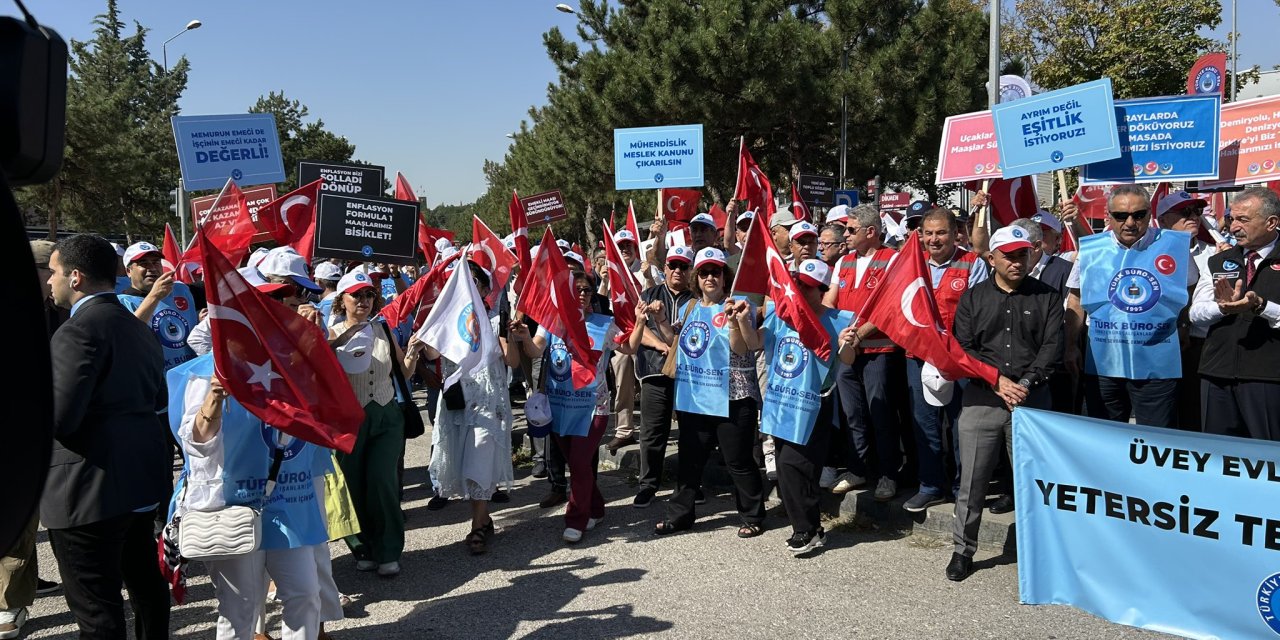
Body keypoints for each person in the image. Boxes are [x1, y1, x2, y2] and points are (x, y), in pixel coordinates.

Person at [44, 234, 171, 639]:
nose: (50, 281)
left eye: (53, 272)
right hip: (139, 482)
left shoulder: (77, 330)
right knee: (146, 586)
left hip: (87, 491)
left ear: (75, 277)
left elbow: (60, 418)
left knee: (97, 612)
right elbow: (157, 398)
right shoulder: (138, 328)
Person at [167, 348, 333, 639]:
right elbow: (197, 445)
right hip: (230, 505)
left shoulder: (293, 363)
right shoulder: (204, 372)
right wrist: (214, 397)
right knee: (240, 606)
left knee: (306, 594)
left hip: (288, 499)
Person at [945, 226, 1063, 582]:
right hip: (983, 397)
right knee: (973, 481)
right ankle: (963, 550)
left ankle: (1039, 551)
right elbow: (963, 347)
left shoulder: (1048, 296)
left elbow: (1052, 347)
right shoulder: (973, 297)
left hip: (1031, 399)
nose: (1016, 261)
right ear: (992, 258)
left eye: (1022, 254)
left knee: (1034, 481)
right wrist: (997, 381)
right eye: (1009, 255)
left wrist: (1024, 384)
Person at [639, 248, 765, 537]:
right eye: (705, 272)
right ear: (697, 278)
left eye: (716, 272)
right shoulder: (691, 308)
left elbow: (742, 348)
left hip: (734, 397)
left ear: (725, 276)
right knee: (690, 460)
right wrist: (659, 321)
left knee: (739, 461)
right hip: (697, 397)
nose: (710, 277)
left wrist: (735, 321)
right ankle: (680, 515)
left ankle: (752, 515)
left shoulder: (741, 305)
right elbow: (677, 343)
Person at [511, 268, 636, 543]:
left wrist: (639, 325)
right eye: (576, 289)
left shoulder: (604, 324)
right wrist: (523, 339)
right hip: (560, 407)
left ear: (593, 294)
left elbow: (628, 348)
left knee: (579, 462)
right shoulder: (552, 321)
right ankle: (597, 507)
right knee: (576, 465)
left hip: (594, 407)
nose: (581, 294)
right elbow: (536, 350)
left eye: (586, 290)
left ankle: (576, 519)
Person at [1065, 185, 1190, 428]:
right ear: (1108, 216)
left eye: (1139, 214)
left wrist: (1184, 323)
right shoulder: (1091, 249)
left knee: (1156, 441)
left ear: (1149, 213)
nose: (1130, 222)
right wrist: (1070, 345)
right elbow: (1076, 298)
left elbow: (1190, 287)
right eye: (1121, 216)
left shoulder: (1172, 245)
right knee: (1105, 438)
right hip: (1104, 362)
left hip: (1157, 365)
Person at [418, 261, 522, 554]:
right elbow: (432, 353)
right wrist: (429, 324)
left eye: (475, 281)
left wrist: (512, 337)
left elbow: (511, 361)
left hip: (488, 403)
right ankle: (484, 519)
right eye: (463, 281)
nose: (469, 286)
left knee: (479, 459)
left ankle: (477, 528)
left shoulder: (496, 320)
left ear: (486, 289)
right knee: (465, 464)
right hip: (458, 402)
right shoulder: (448, 321)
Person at [754, 259, 853, 555]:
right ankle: (811, 528)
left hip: (815, 402)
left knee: (795, 465)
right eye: (797, 286)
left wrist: (848, 342)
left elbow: (847, 360)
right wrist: (739, 321)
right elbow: (751, 344)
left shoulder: (840, 319)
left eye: (808, 288)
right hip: (782, 399)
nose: (800, 292)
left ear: (821, 290)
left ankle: (806, 529)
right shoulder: (779, 315)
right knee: (788, 469)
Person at [903, 208, 989, 513]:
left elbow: (979, 311)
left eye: (941, 233)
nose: (934, 239)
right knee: (925, 423)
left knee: (960, 426)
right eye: (928, 233)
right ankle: (930, 486)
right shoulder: (911, 265)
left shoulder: (972, 264)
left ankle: (962, 490)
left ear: (956, 234)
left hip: (958, 358)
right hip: (919, 356)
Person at [328, 270, 413, 577]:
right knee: (351, 484)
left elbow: (402, 371)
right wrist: (347, 336)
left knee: (381, 480)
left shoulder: (383, 329)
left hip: (386, 414)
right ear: (342, 300)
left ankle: (389, 548)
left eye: (368, 295)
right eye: (356, 295)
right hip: (349, 418)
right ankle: (363, 546)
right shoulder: (330, 331)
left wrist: (413, 353)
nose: (363, 301)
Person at [823, 204, 902, 500]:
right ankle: (857, 470)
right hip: (847, 350)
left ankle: (888, 474)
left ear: (871, 232)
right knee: (852, 413)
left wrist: (859, 335)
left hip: (878, 350)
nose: (846, 235)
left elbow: (890, 308)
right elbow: (831, 300)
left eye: (852, 230)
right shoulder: (844, 261)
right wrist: (824, 323)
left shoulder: (892, 260)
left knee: (880, 413)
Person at [1190, 186, 1280, 441]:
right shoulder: (1219, 260)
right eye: (1231, 218)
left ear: (1271, 222)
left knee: (1267, 456)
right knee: (1218, 455)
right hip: (1216, 373)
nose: (1233, 227)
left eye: (1243, 220)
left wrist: (1261, 306)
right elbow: (1196, 313)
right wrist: (1222, 307)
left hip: (1268, 376)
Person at [626, 246, 695, 507]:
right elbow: (637, 330)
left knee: (690, 433)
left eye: (683, 266)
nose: (678, 270)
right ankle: (648, 485)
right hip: (655, 372)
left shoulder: (696, 300)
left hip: (689, 376)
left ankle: (689, 485)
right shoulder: (649, 294)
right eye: (673, 265)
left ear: (690, 270)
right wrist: (662, 346)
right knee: (653, 432)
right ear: (664, 268)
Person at [1156, 191, 1217, 431]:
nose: (1193, 217)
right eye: (1184, 212)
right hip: (1160, 344)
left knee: (1195, 411)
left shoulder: (1214, 253)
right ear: (1162, 220)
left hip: (1199, 345)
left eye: (1197, 211)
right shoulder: (1149, 253)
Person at [116, 241, 199, 372]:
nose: (152, 268)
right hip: (157, 384)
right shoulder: (121, 302)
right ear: (128, 271)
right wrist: (154, 296)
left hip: (190, 377)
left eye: (156, 262)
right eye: (144, 263)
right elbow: (129, 336)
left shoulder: (181, 290)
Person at [602, 229, 645, 452]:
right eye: (621, 246)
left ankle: (652, 429)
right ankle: (624, 431)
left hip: (646, 334)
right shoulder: (610, 272)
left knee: (649, 383)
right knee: (622, 385)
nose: (625, 249)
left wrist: (648, 276)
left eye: (629, 245)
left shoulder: (647, 269)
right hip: (620, 336)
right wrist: (602, 281)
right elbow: (601, 303)